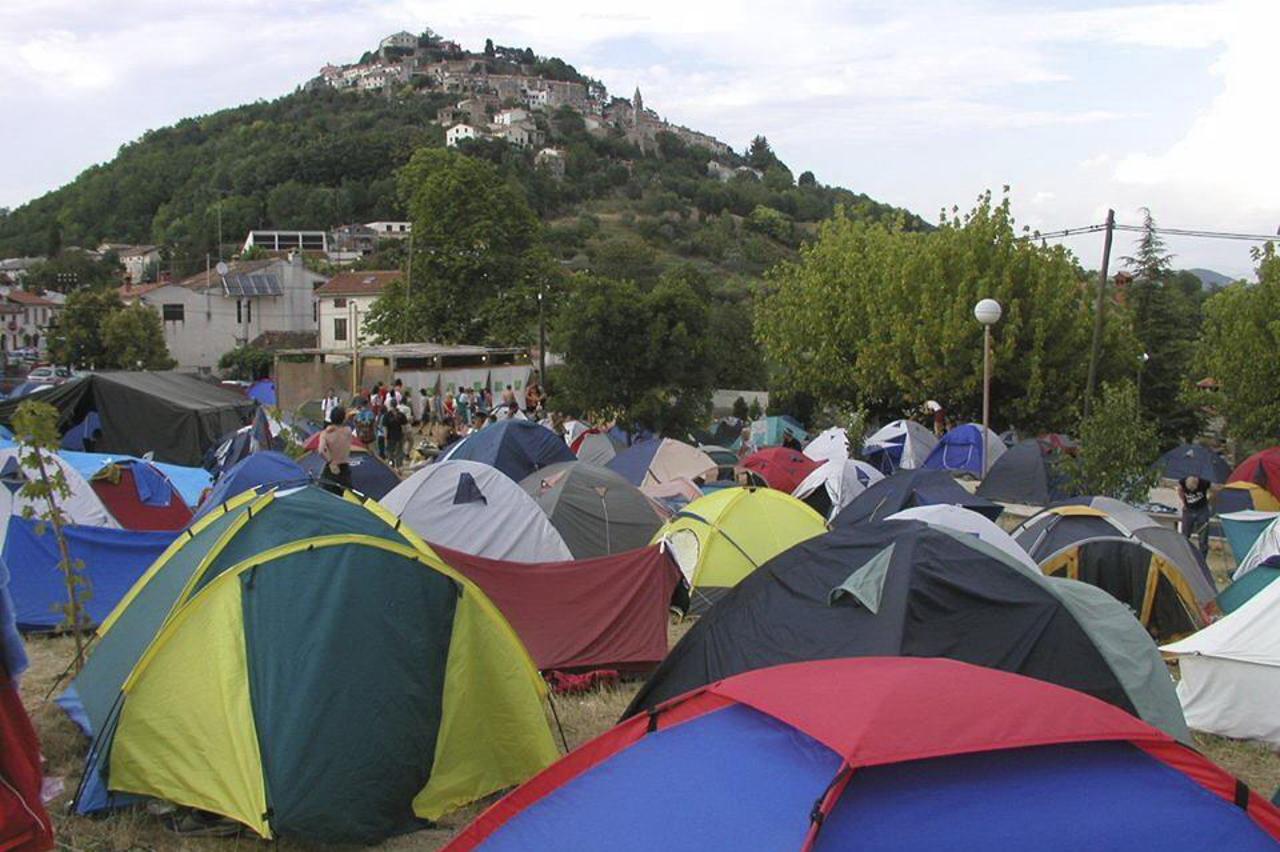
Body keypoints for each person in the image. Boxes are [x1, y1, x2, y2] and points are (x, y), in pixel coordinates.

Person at [317, 405, 353, 494]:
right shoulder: (348, 431)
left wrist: (331, 462)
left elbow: (321, 450)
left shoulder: (325, 434)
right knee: (346, 496)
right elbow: (345, 424)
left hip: (331, 468)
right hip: (344, 468)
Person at [1178, 474, 1212, 556]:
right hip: (1188, 510)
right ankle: (1185, 556)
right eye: (1190, 490)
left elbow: (1214, 490)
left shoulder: (1204, 483)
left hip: (1202, 510)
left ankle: (1202, 559)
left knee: (1203, 538)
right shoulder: (1182, 482)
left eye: (1194, 489)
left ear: (1197, 484)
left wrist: (1209, 501)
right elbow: (1179, 490)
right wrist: (1184, 502)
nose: (1192, 492)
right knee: (1185, 535)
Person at [382, 401, 406, 468]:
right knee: (399, 452)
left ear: (390, 405)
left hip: (390, 437)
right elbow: (404, 428)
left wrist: (385, 439)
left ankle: (391, 466)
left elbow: (385, 429)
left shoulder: (386, 415)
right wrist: (404, 436)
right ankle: (399, 467)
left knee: (390, 453)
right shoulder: (401, 415)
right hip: (399, 436)